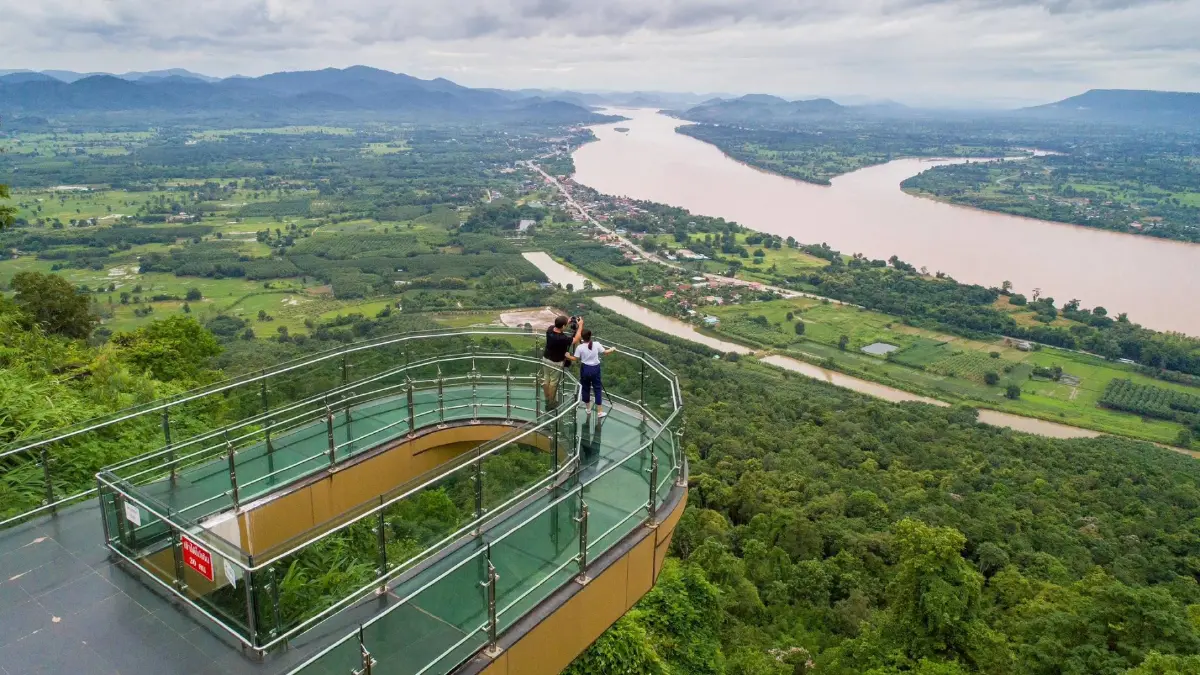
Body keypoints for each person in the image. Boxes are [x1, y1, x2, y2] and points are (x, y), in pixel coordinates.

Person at [567, 329, 615, 418]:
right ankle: (599, 412)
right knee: (597, 389)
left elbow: (575, 359)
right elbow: (605, 352)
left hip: (585, 369)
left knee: (585, 388)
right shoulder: (596, 344)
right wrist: (612, 349)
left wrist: (567, 356)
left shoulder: (580, 347)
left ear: (582, 337)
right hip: (595, 369)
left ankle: (588, 409)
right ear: (590, 335)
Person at [542, 315, 582, 408]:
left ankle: (547, 398)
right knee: (553, 382)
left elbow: (556, 326)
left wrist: (566, 321)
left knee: (546, 378)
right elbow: (576, 338)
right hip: (556, 362)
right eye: (565, 325)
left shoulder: (550, 330)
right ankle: (551, 402)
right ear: (563, 326)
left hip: (545, 358)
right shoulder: (563, 338)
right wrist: (580, 325)